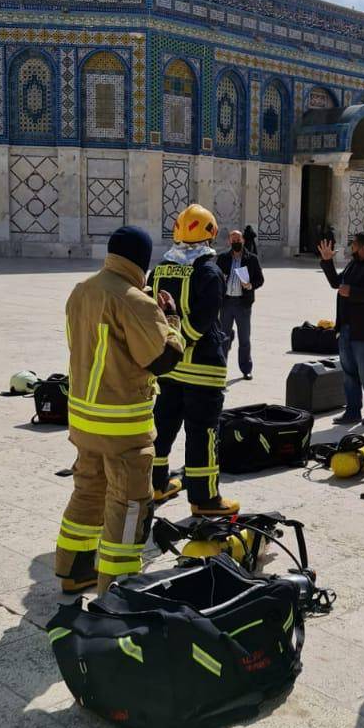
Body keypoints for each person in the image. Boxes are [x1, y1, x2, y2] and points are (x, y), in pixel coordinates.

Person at [55, 226, 184, 595]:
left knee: (88, 490)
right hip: (121, 424)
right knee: (129, 504)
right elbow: (164, 358)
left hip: (83, 418)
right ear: (141, 261)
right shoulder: (136, 301)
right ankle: (118, 587)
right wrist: (171, 321)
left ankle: (72, 569)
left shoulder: (81, 291)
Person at [150, 204, 238, 516]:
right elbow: (203, 320)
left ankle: (156, 484)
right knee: (202, 433)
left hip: (168, 367)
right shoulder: (210, 271)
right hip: (202, 369)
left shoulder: (159, 269)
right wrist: (184, 340)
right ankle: (205, 499)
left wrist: (170, 346)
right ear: (210, 235)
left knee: (162, 426)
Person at [318, 229, 364, 426]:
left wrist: (353, 292)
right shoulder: (353, 264)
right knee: (349, 373)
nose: (351, 247)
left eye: (354, 244)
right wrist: (327, 262)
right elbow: (336, 283)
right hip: (346, 328)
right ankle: (352, 411)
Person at [217, 229, 264, 380]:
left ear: (243, 240)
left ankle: (246, 369)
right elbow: (215, 276)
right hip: (226, 303)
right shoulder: (223, 258)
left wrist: (250, 285)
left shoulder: (252, 259)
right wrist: (221, 278)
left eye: (238, 240)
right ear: (229, 242)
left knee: (244, 339)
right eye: (233, 240)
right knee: (223, 337)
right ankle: (220, 370)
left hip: (243, 304)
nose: (236, 242)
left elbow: (260, 279)